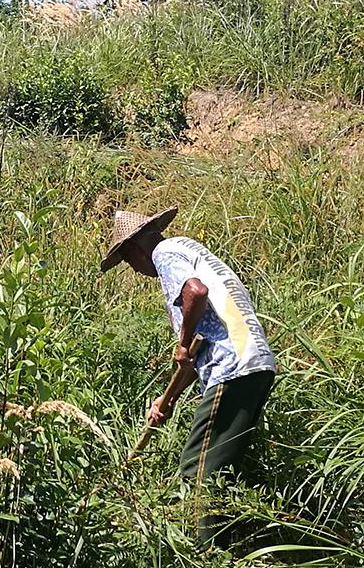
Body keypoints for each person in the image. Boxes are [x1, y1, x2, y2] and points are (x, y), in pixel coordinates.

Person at [102, 206, 278, 538]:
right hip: (254, 366)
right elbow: (198, 350)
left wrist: (181, 343)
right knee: (218, 471)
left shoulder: (165, 254)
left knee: (196, 470)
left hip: (232, 368)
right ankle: (227, 552)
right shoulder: (193, 252)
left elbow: (195, 294)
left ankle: (202, 561)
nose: (136, 270)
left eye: (128, 262)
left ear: (136, 249)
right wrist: (165, 401)